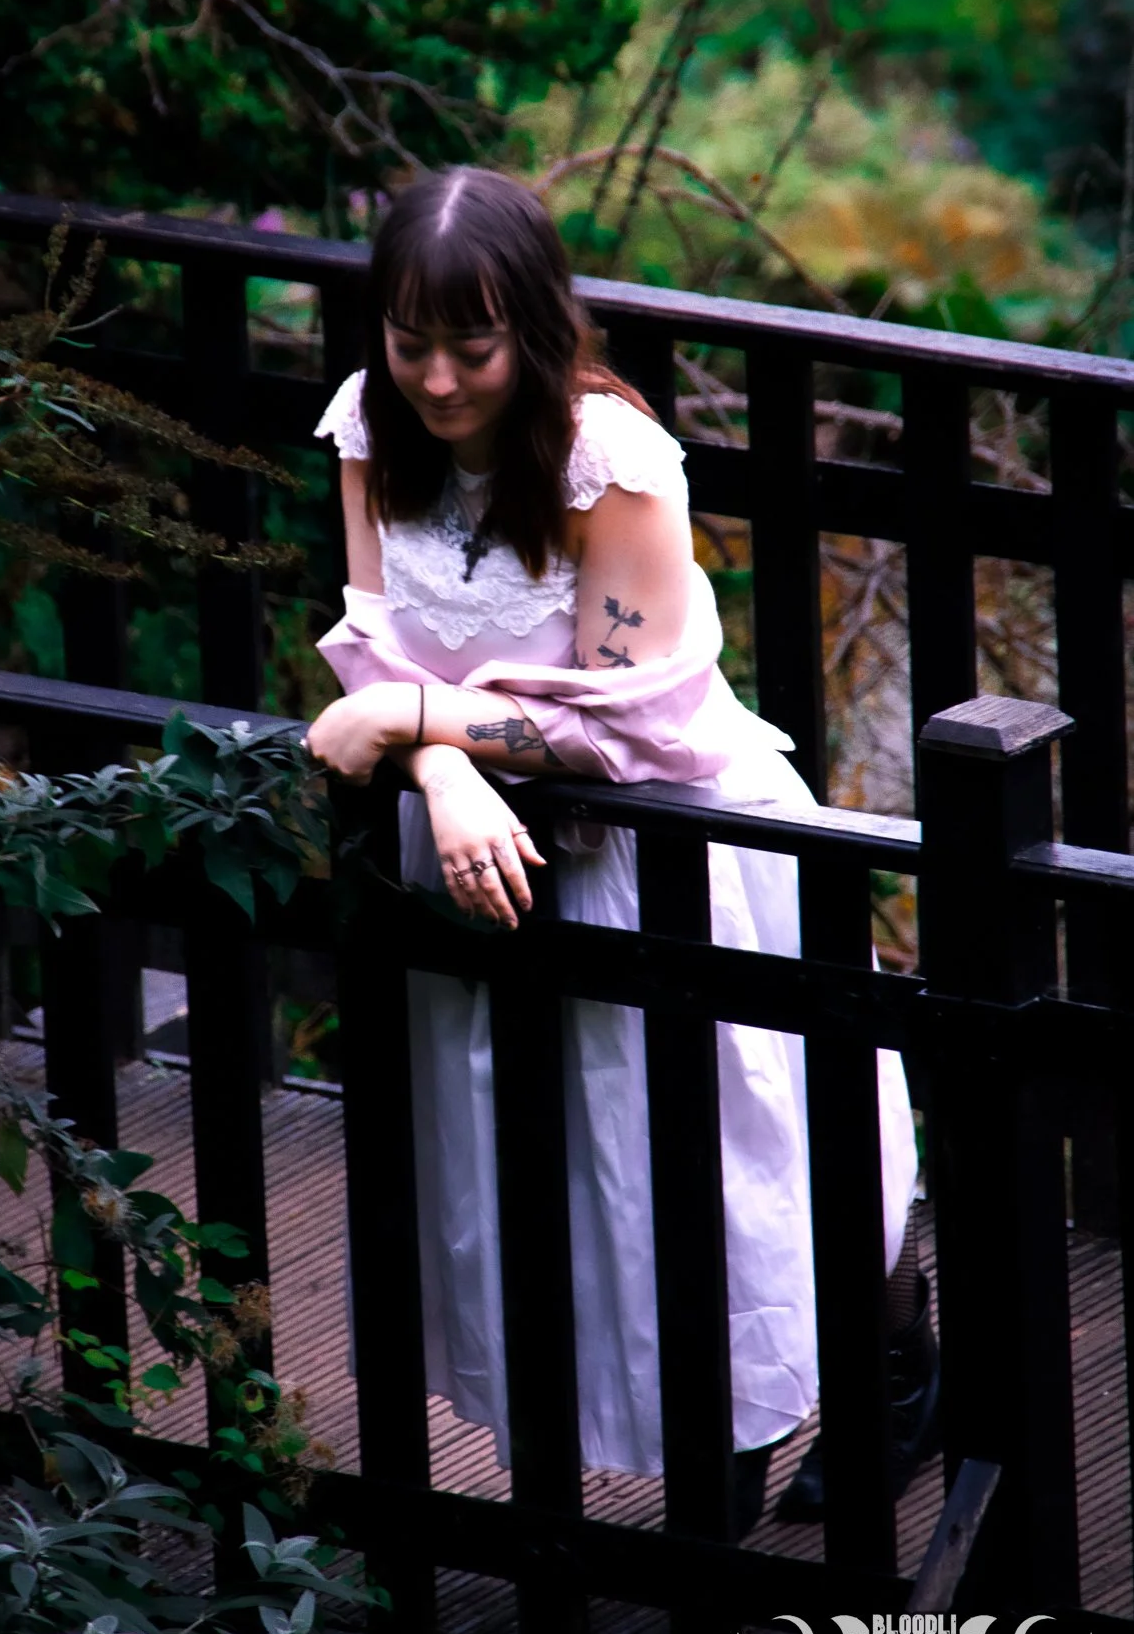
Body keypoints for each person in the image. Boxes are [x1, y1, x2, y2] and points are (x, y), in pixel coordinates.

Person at [303, 164, 935, 1533]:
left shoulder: (612, 462)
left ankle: (874, 1381)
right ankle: (647, 1444)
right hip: (479, 852)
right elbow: (370, 641)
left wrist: (414, 721)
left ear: (534, 326)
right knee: (552, 1168)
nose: (440, 381)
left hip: (667, 850)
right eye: (411, 342)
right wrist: (445, 768)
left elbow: (628, 724)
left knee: (729, 1164)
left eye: (472, 347)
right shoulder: (372, 424)